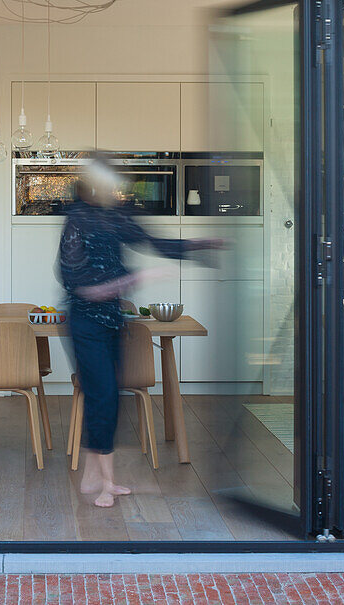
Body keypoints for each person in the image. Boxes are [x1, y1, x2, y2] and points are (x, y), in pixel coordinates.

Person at [57, 157, 224, 508]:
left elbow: (154, 242)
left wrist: (197, 245)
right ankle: (107, 484)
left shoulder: (118, 215)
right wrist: (135, 280)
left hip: (112, 321)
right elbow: (76, 282)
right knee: (103, 396)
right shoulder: (77, 219)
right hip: (84, 323)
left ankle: (94, 476)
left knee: (106, 395)